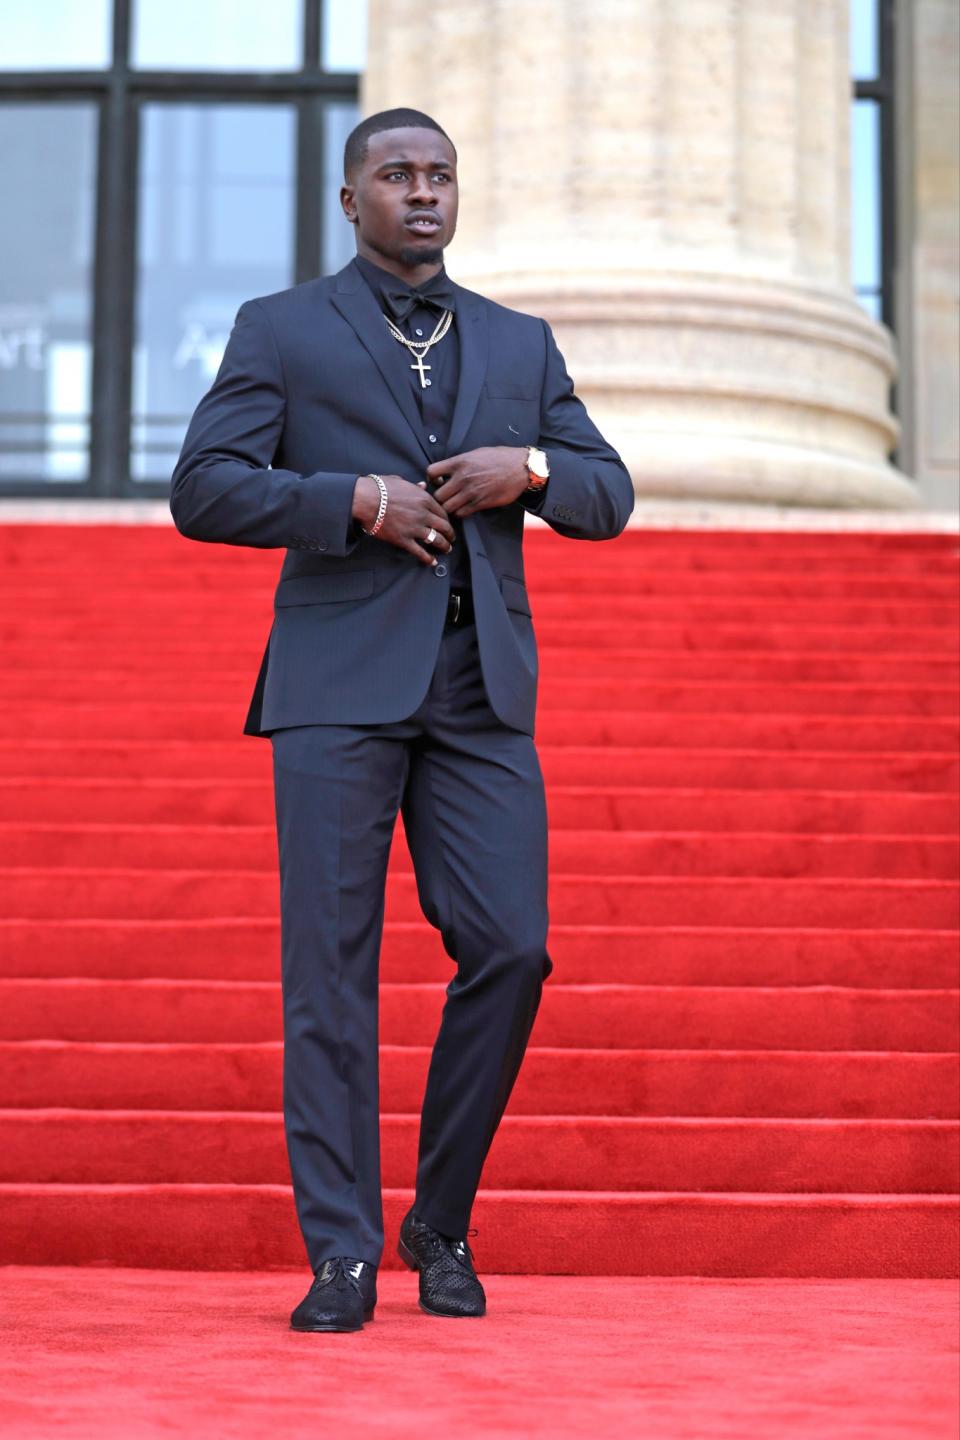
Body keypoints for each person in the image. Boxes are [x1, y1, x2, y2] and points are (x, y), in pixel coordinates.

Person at [170, 106, 634, 1333]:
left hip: (481, 695)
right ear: (351, 199)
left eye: (439, 176)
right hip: (334, 692)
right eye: (396, 175)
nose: (421, 193)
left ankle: (439, 1219)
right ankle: (343, 1253)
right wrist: (355, 498)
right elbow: (204, 488)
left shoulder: (519, 343)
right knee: (330, 973)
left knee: (515, 948)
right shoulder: (281, 330)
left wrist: (525, 471)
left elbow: (608, 492)